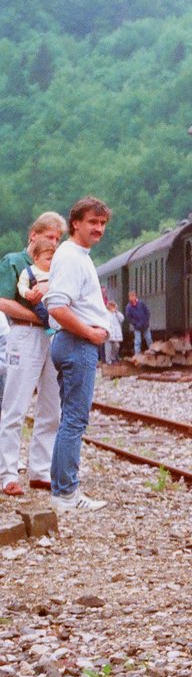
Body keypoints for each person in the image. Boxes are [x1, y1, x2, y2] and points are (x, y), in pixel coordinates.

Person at [45, 196, 112, 512]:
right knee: (74, 420)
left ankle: (63, 491)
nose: (98, 228)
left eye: (102, 223)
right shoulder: (71, 257)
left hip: (75, 344)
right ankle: (66, 494)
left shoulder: (78, 255)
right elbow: (56, 306)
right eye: (92, 222)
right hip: (76, 344)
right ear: (76, 223)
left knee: (70, 419)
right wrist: (90, 332)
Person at [0, 212, 66, 497]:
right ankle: (8, 473)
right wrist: (38, 318)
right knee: (15, 405)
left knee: (51, 406)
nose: (53, 242)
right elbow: (3, 301)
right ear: (33, 235)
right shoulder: (14, 262)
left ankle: (40, 469)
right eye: (49, 237)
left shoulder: (58, 267)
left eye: (57, 238)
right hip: (25, 334)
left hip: (53, 337)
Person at [16, 237, 56, 335]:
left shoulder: (55, 271)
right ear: (36, 258)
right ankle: (48, 327)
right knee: (42, 311)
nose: (52, 262)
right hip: (40, 302)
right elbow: (21, 285)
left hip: (55, 300)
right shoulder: (29, 271)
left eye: (54, 259)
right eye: (48, 259)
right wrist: (27, 292)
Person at [104, 300, 124, 364]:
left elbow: (122, 319)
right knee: (108, 349)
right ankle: (108, 361)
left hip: (116, 334)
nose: (112, 307)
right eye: (111, 305)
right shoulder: (106, 313)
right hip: (108, 333)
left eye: (113, 305)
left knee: (117, 346)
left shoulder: (117, 313)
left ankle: (113, 358)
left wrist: (116, 311)